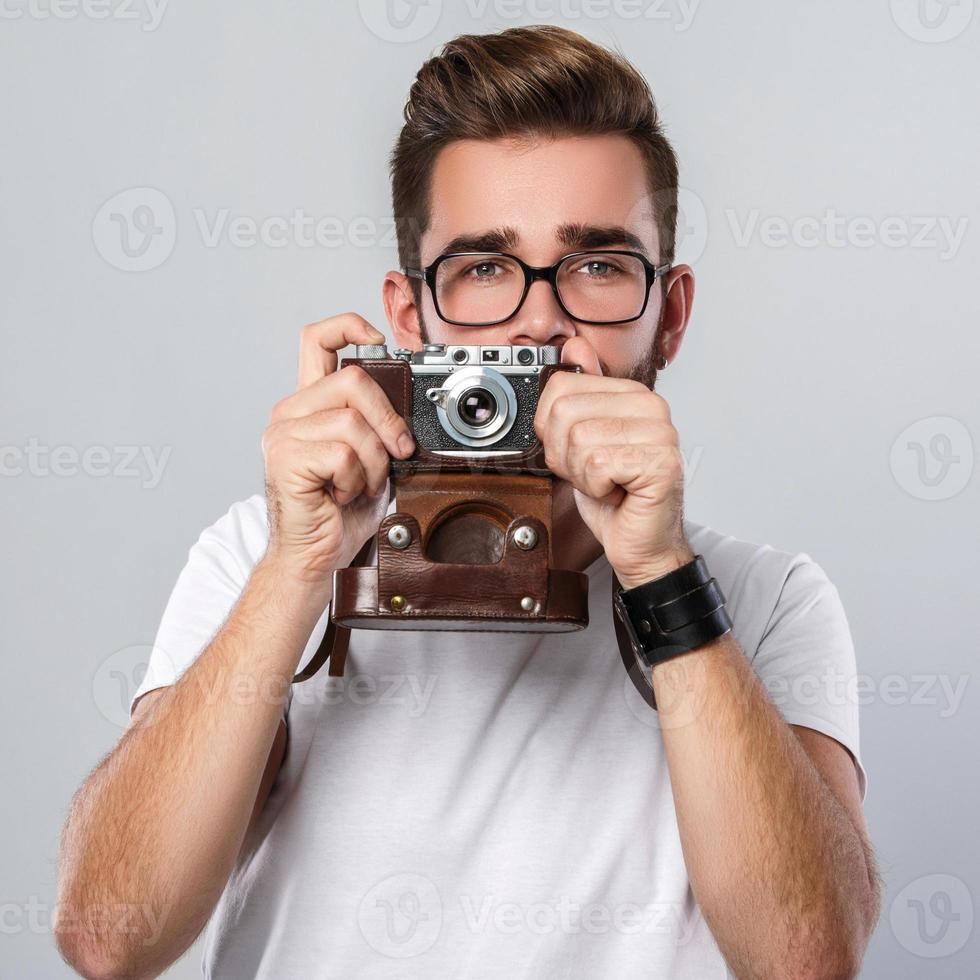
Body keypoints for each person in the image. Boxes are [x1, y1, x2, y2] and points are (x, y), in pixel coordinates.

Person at [55, 25, 880, 979]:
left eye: (599, 266)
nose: (540, 320)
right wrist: (298, 568)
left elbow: (806, 959)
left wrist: (659, 575)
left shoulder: (764, 596)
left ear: (672, 313)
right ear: (410, 319)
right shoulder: (262, 554)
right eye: (484, 267)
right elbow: (111, 935)